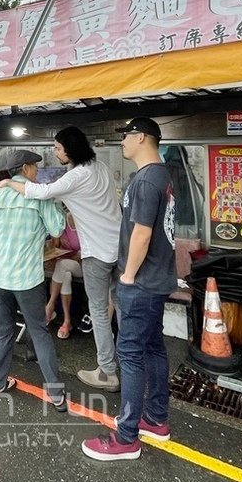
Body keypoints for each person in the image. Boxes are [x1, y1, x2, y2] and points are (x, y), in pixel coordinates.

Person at [0, 126, 123, 392]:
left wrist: (9, 183)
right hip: (119, 246)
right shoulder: (98, 167)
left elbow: (42, 193)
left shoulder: (76, 175)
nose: (54, 153)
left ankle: (107, 372)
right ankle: (130, 364)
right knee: (122, 306)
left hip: (97, 252)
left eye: (57, 148)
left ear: (70, 148)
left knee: (99, 312)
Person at [83, 117, 175, 461]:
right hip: (157, 279)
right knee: (153, 349)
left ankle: (126, 437)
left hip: (141, 282)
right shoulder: (161, 175)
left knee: (131, 355)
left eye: (126, 136)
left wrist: (127, 277)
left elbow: (142, 233)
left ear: (142, 138)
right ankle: (156, 419)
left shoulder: (147, 179)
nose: (122, 142)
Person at [0, 149, 67, 411]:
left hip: (0, 279)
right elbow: (58, 228)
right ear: (25, 169)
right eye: (35, 167)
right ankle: (56, 395)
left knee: (4, 332)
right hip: (28, 280)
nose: (37, 171)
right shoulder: (39, 196)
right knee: (39, 332)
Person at [44, 213, 83, 341]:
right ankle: (67, 321)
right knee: (65, 275)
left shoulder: (84, 220)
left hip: (82, 265)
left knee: (62, 264)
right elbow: (56, 245)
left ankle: (50, 305)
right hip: (65, 264)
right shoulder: (63, 221)